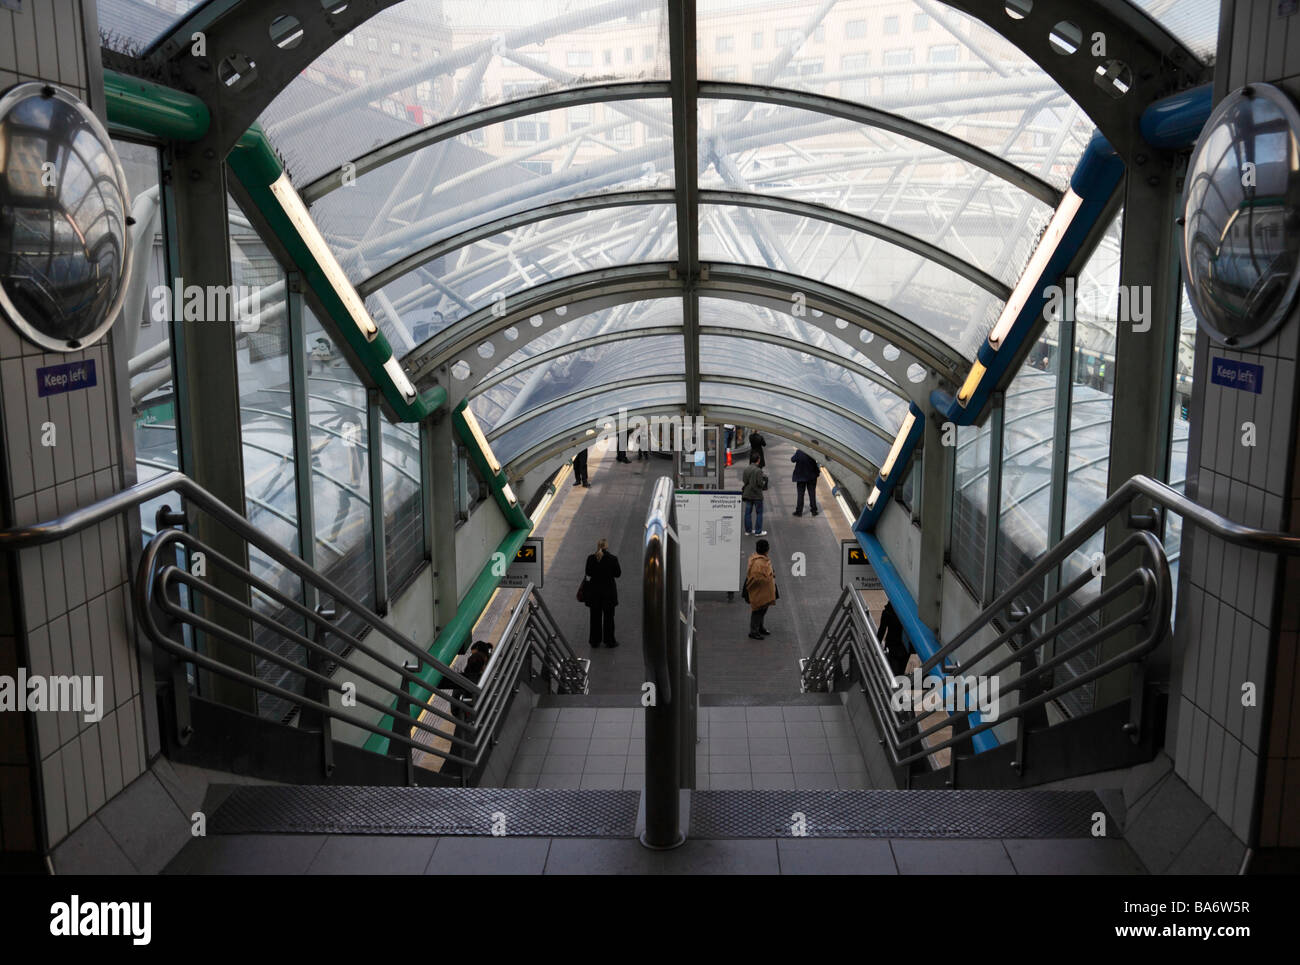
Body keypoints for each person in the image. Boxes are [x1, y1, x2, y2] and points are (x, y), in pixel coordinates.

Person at [582, 537, 622, 647]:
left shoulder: (590, 558)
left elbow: (588, 573)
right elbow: (618, 574)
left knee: (595, 618)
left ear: (598, 546)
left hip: (594, 594)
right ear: (606, 546)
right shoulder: (613, 559)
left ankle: (595, 641)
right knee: (609, 618)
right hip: (608, 594)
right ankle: (609, 641)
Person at [745, 539, 777, 639]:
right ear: (767, 549)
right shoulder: (759, 563)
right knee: (758, 610)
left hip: (764, 591)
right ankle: (753, 631)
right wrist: (768, 576)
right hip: (760, 591)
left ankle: (760, 627)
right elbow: (756, 578)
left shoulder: (760, 559)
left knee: (763, 609)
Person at [741, 450, 767, 536]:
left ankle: (748, 530)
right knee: (759, 513)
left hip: (748, 494)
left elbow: (744, 480)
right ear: (758, 460)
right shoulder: (758, 470)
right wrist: (764, 483)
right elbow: (760, 483)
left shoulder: (746, 469)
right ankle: (758, 531)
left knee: (748, 512)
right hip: (757, 495)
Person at [790, 449, 820, 517]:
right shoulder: (812, 452)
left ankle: (799, 512)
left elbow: (792, 459)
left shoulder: (799, 451)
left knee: (800, 495)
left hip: (801, 477)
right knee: (812, 493)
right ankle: (814, 511)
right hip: (811, 476)